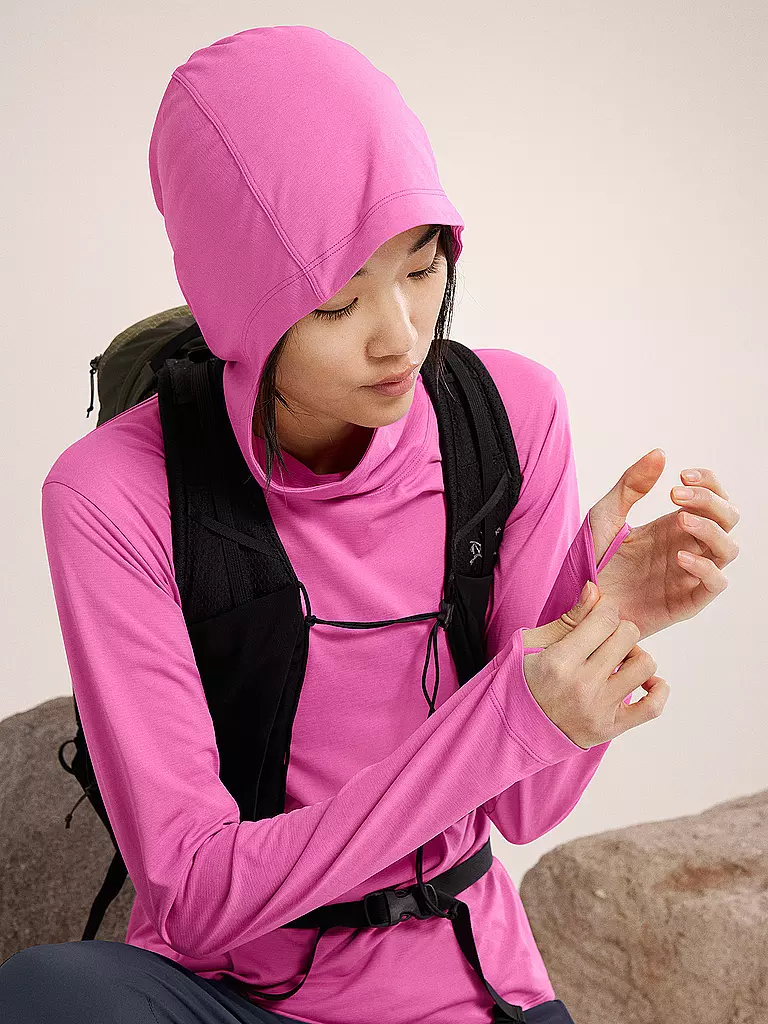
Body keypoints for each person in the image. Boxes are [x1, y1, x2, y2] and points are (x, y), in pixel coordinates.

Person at [1, 24, 738, 1024]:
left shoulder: (508, 418)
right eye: (339, 304)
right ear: (237, 307)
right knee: (46, 994)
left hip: (471, 993)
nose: (401, 338)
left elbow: (523, 807)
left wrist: (603, 621)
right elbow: (195, 898)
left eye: (423, 270)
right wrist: (504, 718)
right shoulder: (113, 494)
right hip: (231, 996)